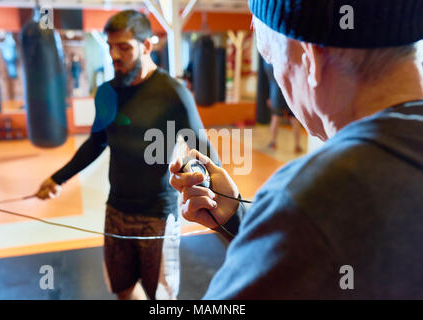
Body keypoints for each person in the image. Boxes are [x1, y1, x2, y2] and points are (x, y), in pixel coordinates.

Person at [169, 0, 423, 299]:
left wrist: (282, 218)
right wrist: (242, 221)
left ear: (310, 57)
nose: (277, 76)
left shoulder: (310, 200)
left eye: (272, 60)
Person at [36, 10, 216, 300]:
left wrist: (200, 178)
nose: (115, 56)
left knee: (160, 297)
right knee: (122, 290)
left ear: (147, 46)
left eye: (124, 47)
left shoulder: (173, 93)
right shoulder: (107, 92)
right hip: (117, 211)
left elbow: (206, 154)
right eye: (110, 47)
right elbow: (97, 142)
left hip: (157, 215)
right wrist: (58, 178)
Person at [263, 60, 303, 153]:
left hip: (276, 93)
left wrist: (269, 96)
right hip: (290, 93)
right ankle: (297, 145)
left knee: (276, 117)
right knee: (293, 119)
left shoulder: (268, 62)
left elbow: (269, 80)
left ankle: (273, 142)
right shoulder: (287, 60)